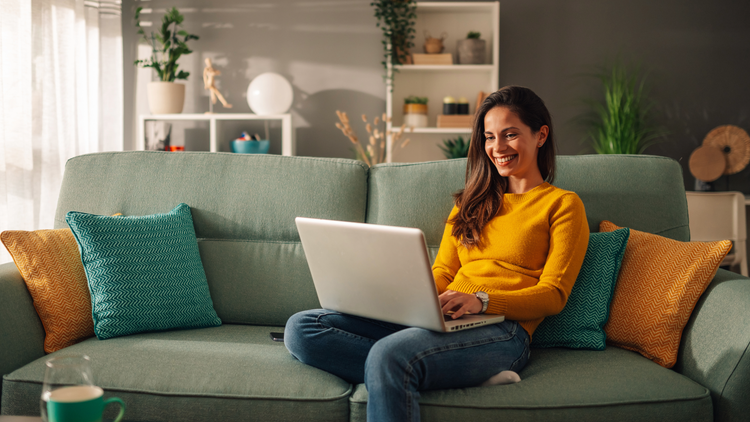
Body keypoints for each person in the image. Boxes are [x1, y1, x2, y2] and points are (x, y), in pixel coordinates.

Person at [284, 86, 590, 422]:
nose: (498, 148)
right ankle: (457, 374)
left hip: (504, 330)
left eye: (510, 135)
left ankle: (411, 368)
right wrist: (408, 299)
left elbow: (553, 295)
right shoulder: (469, 203)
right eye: (489, 137)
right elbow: (443, 271)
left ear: (540, 135)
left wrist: (483, 301)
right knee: (303, 328)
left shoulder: (562, 204)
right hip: (443, 317)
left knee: (390, 356)